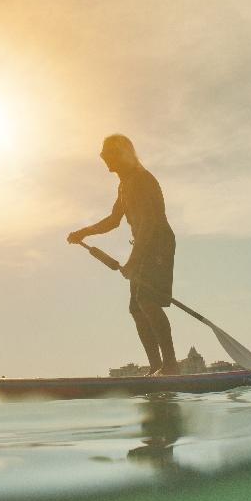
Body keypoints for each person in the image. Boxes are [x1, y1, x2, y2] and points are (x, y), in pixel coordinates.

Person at [67, 134, 179, 376]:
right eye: (103, 154)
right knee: (137, 308)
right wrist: (82, 233)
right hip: (144, 243)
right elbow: (114, 220)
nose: (106, 158)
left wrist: (133, 261)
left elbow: (148, 222)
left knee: (147, 300)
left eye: (111, 152)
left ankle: (171, 365)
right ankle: (156, 367)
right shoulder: (123, 184)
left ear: (126, 153)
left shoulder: (139, 179)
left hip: (158, 243)